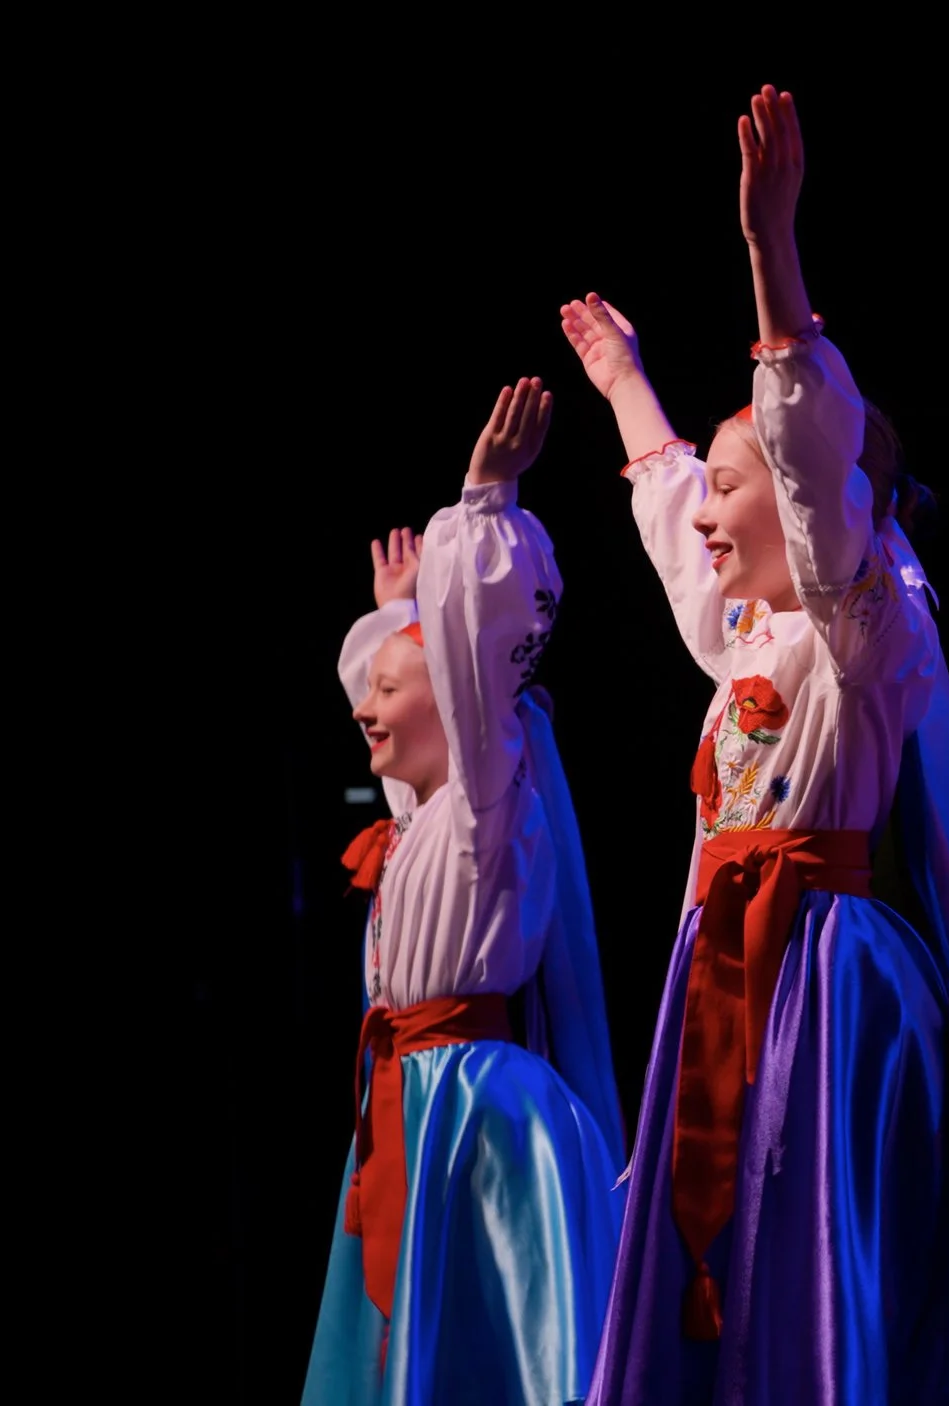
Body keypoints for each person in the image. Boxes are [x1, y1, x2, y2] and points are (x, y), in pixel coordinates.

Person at [564, 86, 949, 1406]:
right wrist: (628, 391)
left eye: (733, 482)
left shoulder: (866, 626)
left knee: (850, 1272)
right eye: (711, 482)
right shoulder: (747, 641)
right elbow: (678, 530)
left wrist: (772, 255)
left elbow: (808, 470)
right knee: (754, 1268)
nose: (709, 505)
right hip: (737, 968)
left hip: (832, 979)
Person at [304, 378, 625, 1406]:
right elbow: (406, 687)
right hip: (415, 1107)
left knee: (500, 1348)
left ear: (457, 696)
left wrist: (485, 499)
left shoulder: (489, 800)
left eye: (391, 687)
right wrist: (396, 615)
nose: (367, 706)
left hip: (481, 1111)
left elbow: (472, 663)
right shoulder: (418, 820)